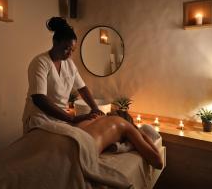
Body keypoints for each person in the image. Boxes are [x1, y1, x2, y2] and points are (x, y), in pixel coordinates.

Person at [22, 17, 163, 169]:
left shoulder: (68, 63)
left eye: (72, 50)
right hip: (41, 118)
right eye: (66, 48)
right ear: (55, 43)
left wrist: (95, 108)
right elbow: (39, 99)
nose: (69, 53)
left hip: (62, 119)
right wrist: (73, 118)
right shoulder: (40, 62)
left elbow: (82, 88)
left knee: (70, 143)